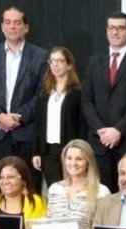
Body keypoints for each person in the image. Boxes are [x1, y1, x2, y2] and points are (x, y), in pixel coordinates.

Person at [0, 6, 48, 192]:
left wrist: (18, 117)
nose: (12, 27)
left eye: (17, 23)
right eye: (8, 22)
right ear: (1, 27)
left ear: (26, 27)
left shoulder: (40, 56)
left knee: (30, 186)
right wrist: (0, 116)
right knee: (3, 186)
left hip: (27, 131)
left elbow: (42, 93)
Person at [82, 12, 126, 192]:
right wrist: (102, 131)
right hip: (100, 144)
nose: (115, 32)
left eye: (120, 28)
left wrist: (118, 130)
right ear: (106, 31)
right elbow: (86, 100)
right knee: (103, 197)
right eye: (111, 28)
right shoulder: (94, 62)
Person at [32, 46, 84, 187]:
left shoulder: (77, 93)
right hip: (48, 151)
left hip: (70, 150)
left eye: (60, 61)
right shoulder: (45, 91)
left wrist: (80, 150)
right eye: (52, 61)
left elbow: (82, 124)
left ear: (69, 65)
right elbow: (39, 124)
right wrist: (36, 152)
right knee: (55, 190)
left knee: (72, 188)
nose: (55, 65)